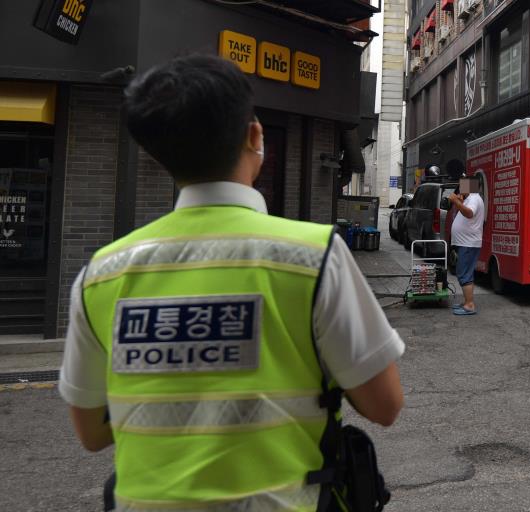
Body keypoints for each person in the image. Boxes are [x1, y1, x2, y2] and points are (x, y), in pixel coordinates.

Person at [58, 54, 404, 512]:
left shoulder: (102, 274)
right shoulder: (312, 256)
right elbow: (384, 405)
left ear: (155, 152)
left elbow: (92, 432)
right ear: (255, 137)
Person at [449, 177, 485, 315]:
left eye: (462, 185)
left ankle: (470, 305)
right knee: (464, 272)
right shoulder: (471, 198)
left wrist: (456, 201)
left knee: (464, 273)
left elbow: (469, 213)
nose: (460, 187)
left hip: (468, 243)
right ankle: (467, 302)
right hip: (465, 242)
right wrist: (461, 200)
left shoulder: (475, 199)